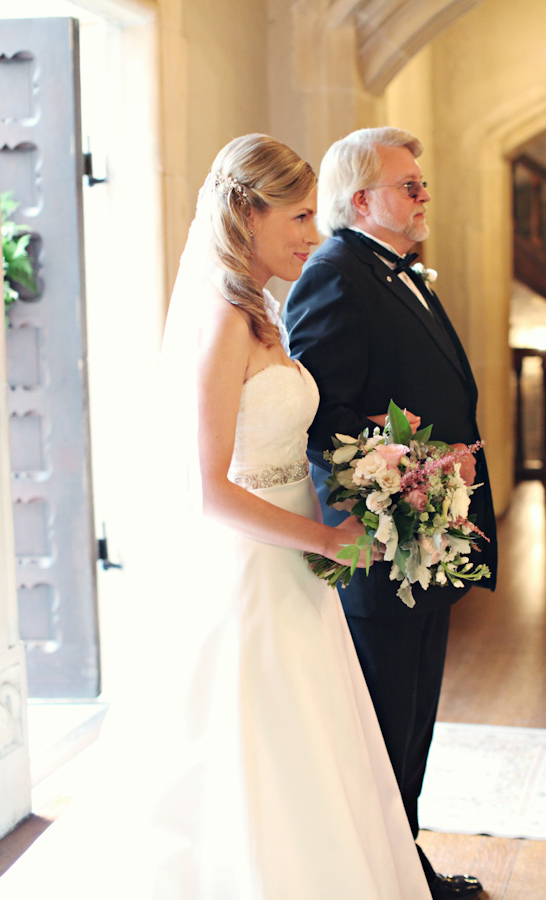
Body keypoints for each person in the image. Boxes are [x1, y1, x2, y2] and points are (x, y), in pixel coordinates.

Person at [1, 134, 432, 900]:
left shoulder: (262, 308)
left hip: (293, 567)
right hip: (250, 568)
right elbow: (211, 490)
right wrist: (327, 538)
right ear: (246, 212)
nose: (312, 233)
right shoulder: (225, 319)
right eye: (297, 216)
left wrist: (381, 472)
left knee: (306, 749)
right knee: (246, 750)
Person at [283, 127, 498, 900]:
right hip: (383, 550)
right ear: (361, 200)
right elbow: (325, 419)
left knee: (410, 721)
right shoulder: (337, 276)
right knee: (382, 727)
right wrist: (402, 492)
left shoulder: (393, 271)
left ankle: (398, 866)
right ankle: (385, 877)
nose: (424, 193)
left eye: (421, 181)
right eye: (410, 184)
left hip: (423, 540)